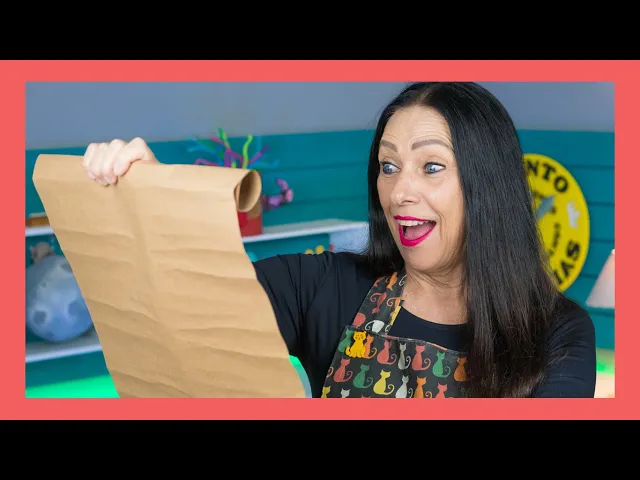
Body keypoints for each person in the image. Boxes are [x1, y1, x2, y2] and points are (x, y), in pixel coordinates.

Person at [81, 82, 597, 398]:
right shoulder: (322, 285)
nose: (400, 192)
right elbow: (181, 305)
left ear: (489, 186)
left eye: (431, 166)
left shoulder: (558, 335)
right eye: (388, 166)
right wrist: (149, 199)